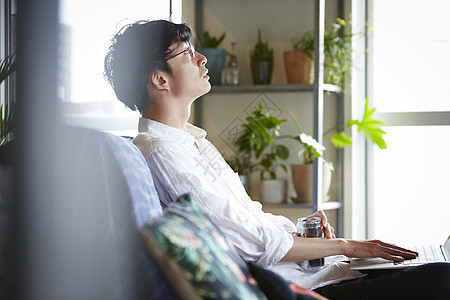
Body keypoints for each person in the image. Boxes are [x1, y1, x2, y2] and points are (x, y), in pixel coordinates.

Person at [104, 19, 450, 299]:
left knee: (434, 269)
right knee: (440, 278)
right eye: (188, 53)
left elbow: (249, 222)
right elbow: (256, 245)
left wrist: (303, 233)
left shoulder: (190, 143)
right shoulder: (163, 153)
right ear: (160, 79)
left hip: (314, 273)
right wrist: (348, 244)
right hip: (300, 288)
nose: (202, 58)